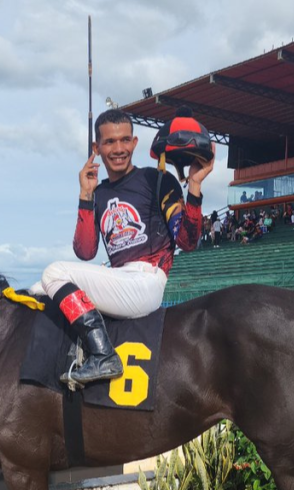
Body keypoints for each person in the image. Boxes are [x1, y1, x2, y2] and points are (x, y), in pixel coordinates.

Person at [33, 109, 213, 385]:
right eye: (110, 142)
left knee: (53, 273)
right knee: (36, 289)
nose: (119, 149)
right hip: (119, 279)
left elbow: (187, 242)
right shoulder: (99, 193)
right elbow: (85, 252)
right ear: (97, 148)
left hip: (145, 281)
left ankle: (103, 355)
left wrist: (195, 187)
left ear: (134, 143)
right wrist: (85, 194)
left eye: (125, 140)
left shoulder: (157, 180)